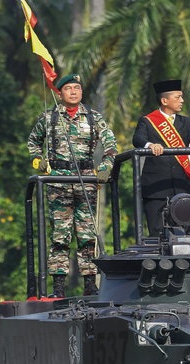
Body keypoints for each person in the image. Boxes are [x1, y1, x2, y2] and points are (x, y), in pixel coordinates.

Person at [26, 73, 117, 297]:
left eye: (77, 88)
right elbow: (33, 142)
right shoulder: (50, 118)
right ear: (60, 93)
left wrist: (106, 166)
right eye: (68, 88)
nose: (73, 92)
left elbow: (111, 145)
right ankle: (58, 287)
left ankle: (89, 284)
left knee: (87, 235)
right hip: (58, 180)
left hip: (85, 179)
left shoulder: (93, 118)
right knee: (60, 235)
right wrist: (40, 162)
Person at [133, 79, 190, 236]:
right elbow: (138, 139)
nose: (182, 101)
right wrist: (149, 145)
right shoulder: (148, 121)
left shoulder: (186, 122)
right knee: (157, 233)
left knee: (186, 232)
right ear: (164, 100)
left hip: (181, 185)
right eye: (178, 97)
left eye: (182, 97)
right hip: (156, 187)